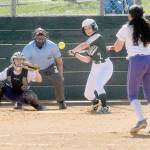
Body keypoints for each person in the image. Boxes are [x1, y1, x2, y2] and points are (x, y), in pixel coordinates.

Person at [107, 5, 150, 133]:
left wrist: (111, 48)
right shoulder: (148, 26)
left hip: (137, 61)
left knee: (132, 94)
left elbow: (118, 47)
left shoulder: (126, 28)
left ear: (130, 15)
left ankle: (141, 119)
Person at [68, 18, 113, 113]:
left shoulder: (98, 36)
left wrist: (74, 50)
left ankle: (105, 107)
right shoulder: (90, 45)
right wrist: (76, 54)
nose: (87, 30)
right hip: (95, 67)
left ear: (94, 27)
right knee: (88, 94)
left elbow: (83, 45)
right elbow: (87, 60)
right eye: (85, 29)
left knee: (99, 85)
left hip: (106, 66)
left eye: (89, 28)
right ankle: (96, 102)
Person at [22, 27, 67, 109]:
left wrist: (61, 75)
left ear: (45, 36)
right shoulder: (28, 47)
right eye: (38, 35)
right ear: (34, 36)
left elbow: (59, 61)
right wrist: (32, 68)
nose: (40, 37)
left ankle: (61, 102)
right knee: (23, 80)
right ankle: (19, 102)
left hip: (49, 68)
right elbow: (23, 62)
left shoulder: (52, 45)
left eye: (42, 35)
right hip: (33, 69)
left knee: (58, 79)